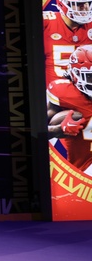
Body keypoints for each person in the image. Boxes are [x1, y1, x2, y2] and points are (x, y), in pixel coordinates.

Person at [47, 44, 92, 172]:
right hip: (84, 171)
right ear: (76, 74)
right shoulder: (65, 94)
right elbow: (37, 132)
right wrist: (59, 129)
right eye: (91, 76)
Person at [43, 0, 92, 83]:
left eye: (87, 4)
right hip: (54, 94)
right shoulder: (47, 23)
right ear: (62, 3)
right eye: (79, 4)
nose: (85, 9)